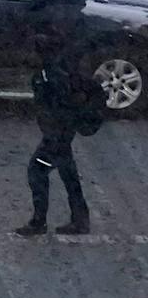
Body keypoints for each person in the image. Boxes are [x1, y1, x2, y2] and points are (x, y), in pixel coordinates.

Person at [15, 39, 102, 236]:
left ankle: (39, 222)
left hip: (57, 135)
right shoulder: (56, 72)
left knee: (37, 172)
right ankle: (80, 220)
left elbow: (59, 107)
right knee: (68, 173)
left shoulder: (49, 77)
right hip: (62, 134)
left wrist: (55, 134)